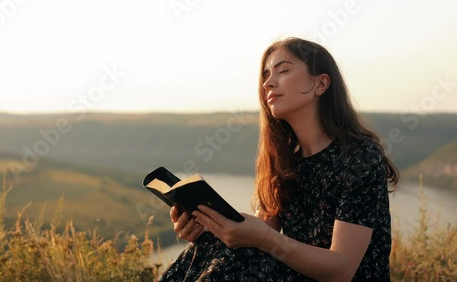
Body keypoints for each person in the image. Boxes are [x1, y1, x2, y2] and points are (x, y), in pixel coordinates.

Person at [157, 37, 399, 281]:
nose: (268, 84)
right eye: (266, 76)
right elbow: (258, 235)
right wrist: (209, 227)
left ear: (321, 83)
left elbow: (341, 269)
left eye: (283, 71)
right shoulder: (287, 161)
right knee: (209, 249)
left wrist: (262, 237)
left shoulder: (359, 157)